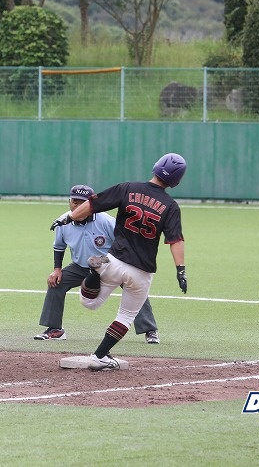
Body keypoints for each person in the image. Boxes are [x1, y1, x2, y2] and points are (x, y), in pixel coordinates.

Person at [50, 153, 188, 371]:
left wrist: (68, 217)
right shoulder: (170, 206)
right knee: (125, 316)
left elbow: (93, 204)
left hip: (113, 261)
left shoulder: (128, 188)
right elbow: (175, 240)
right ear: (176, 181)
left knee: (89, 303)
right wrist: (181, 270)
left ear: (155, 167)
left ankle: (94, 273)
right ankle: (100, 356)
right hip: (141, 272)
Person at [36, 184, 161, 344]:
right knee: (56, 283)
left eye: (82, 203)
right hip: (80, 267)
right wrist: (57, 269)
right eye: (74, 202)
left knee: (134, 284)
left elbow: (123, 243)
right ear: (69, 201)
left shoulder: (106, 221)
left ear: (91, 204)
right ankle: (55, 329)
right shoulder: (63, 221)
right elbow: (59, 247)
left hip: (110, 266)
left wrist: (111, 262)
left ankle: (150, 330)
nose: (77, 206)